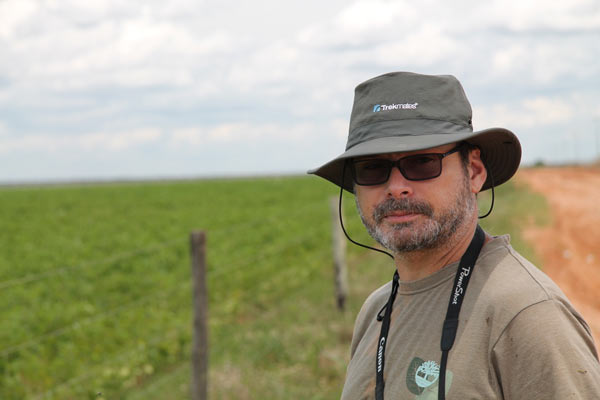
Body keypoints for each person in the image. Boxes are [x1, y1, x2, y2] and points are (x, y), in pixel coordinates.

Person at [308, 72, 600, 399]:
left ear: (473, 172)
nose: (396, 187)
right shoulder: (377, 310)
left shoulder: (526, 315)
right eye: (372, 169)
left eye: (421, 162)